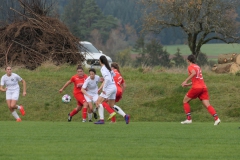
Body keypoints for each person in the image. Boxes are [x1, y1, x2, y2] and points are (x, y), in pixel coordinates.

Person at [181, 54, 221, 125]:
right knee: (207, 105)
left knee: (185, 101)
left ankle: (189, 119)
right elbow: (197, 79)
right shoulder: (198, 66)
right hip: (203, 87)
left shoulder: (190, 66)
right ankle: (217, 118)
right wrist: (188, 84)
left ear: (188, 60)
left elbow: (194, 73)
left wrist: (185, 80)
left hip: (197, 88)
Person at [94, 56, 129, 124]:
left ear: (101, 61)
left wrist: (103, 88)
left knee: (98, 102)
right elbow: (112, 75)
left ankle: (101, 120)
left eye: (99, 60)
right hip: (114, 87)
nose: (98, 61)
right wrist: (105, 78)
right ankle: (125, 116)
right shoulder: (108, 68)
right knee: (111, 105)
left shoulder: (103, 68)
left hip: (109, 88)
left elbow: (107, 78)